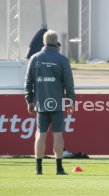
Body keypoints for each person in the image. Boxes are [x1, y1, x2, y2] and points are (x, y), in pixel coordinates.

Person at [25, 30, 75, 174]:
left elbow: (28, 82)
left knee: (40, 134)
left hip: (41, 103)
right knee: (58, 134)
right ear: (56, 41)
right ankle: (59, 168)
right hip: (57, 103)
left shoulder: (35, 58)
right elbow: (69, 83)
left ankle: (38, 168)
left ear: (44, 41)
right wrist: (71, 101)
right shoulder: (63, 59)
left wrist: (29, 100)